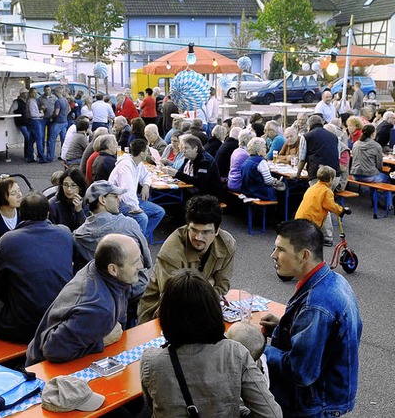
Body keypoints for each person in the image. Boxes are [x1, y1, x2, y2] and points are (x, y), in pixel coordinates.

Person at [141, 270, 281, 418]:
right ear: (214, 310)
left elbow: (153, 405)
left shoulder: (150, 361)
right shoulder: (235, 353)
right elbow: (272, 414)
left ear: (165, 316)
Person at [261, 219, 362, 417]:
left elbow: (301, 371)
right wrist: (282, 326)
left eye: (280, 250)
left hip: (316, 403)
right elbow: (324, 341)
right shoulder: (332, 279)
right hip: (329, 392)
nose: (273, 255)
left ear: (303, 256)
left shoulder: (315, 305)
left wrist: (261, 348)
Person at [26, 234, 142, 366]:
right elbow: (53, 350)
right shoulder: (98, 309)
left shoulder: (101, 270)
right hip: (46, 370)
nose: (141, 265)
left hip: (42, 350)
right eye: (135, 262)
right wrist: (101, 342)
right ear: (113, 269)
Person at [0, 192, 73, 343]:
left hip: (24, 323)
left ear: (21, 214)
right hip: (62, 317)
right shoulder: (65, 233)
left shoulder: (7, 240)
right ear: (48, 214)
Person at [138, 195, 235, 323]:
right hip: (161, 311)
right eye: (193, 230)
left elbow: (222, 286)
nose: (198, 237)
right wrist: (209, 287)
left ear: (217, 231)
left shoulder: (227, 244)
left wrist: (208, 293)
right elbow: (174, 298)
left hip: (200, 308)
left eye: (206, 232)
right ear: (187, 226)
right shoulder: (171, 251)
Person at [73, 180, 152, 324]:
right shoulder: (128, 224)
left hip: (103, 298)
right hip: (134, 291)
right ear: (102, 200)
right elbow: (147, 261)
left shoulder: (78, 236)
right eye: (115, 196)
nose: (119, 199)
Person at [294, 115, 341, 245]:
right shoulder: (333, 136)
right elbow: (336, 155)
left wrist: (298, 174)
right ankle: (321, 233)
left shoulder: (307, 136)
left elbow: (302, 157)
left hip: (318, 174)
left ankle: (327, 236)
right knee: (325, 201)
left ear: (309, 125)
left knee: (321, 203)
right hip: (335, 174)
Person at [108, 138, 165, 239]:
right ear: (142, 153)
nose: (148, 153)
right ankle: (136, 242)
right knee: (142, 217)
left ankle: (140, 239)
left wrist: (146, 185)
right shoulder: (126, 165)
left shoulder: (138, 163)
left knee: (159, 212)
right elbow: (127, 192)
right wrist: (136, 209)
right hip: (119, 201)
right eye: (147, 150)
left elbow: (146, 176)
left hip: (131, 198)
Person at [295, 165, 350, 230]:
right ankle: (328, 239)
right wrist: (341, 211)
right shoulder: (326, 191)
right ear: (331, 179)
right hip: (311, 220)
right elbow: (331, 205)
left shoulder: (313, 187)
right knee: (312, 236)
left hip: (301, 216)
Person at [10, 88, 34, 162]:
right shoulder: (16, 102)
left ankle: (28, 154)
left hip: (26, 122)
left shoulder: (26, 101)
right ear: (22, 94)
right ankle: (28, 154)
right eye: (25, 93)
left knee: (28, 138)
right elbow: (11, 111)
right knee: (28, 137)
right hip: (21, 122)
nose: (27, 94)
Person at [48, 87, 69, 161]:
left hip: (57, 122)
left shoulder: (58, 101)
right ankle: (64, 155)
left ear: (57, 92)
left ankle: (50, 156)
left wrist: (51, 116)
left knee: (52, 140)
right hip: (64, 121)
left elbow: (56, 112)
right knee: (64, 139)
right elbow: (68, 110)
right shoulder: (66, 100)